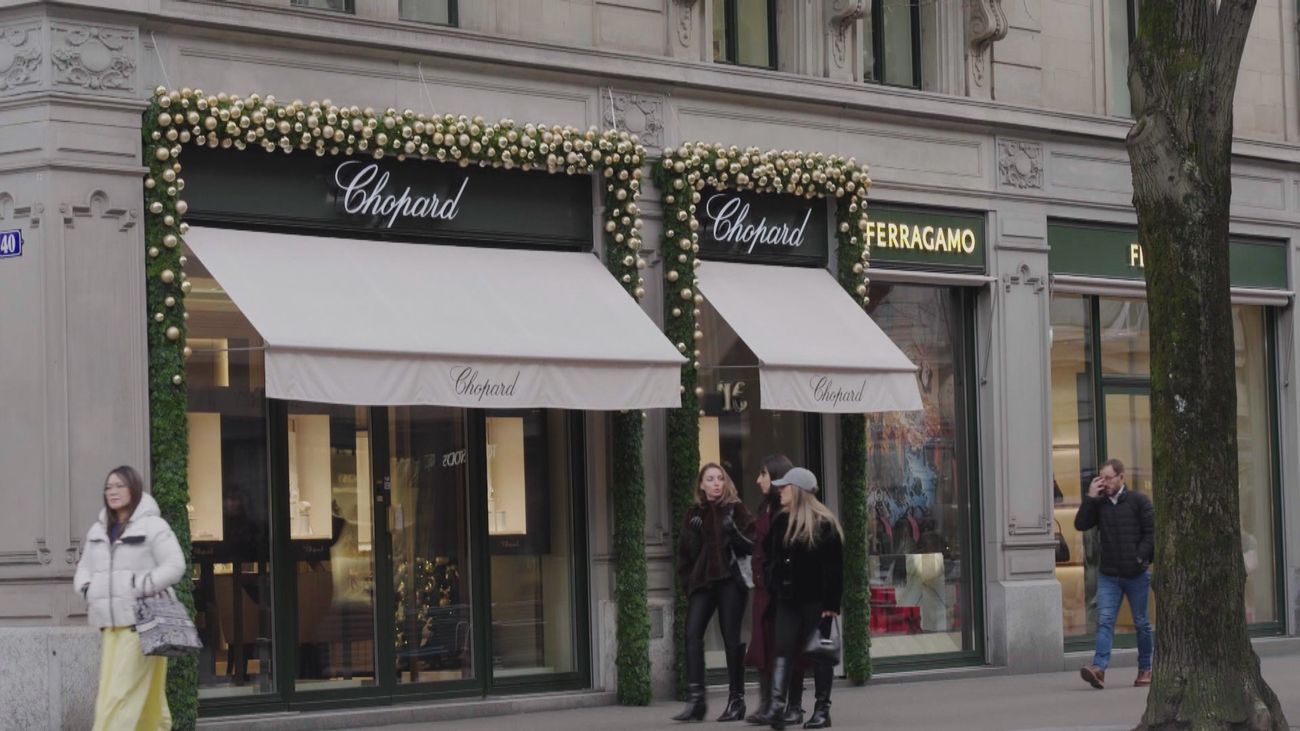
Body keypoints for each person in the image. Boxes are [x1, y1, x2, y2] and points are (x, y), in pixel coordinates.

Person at [74, 466, 186, 731]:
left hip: (142, 625)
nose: (112, 492)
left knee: (117, 699)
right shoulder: (99, 529)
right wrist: (88, 588)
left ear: (134, 489)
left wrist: (141, 585)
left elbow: (175, 565)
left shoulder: (153, 526)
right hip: (111, 628)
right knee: (147, 703)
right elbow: (84, 568)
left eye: (119, 486)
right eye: (108, 487)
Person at [756, 467, 843, 730]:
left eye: (785, 486)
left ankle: (822, 710)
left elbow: (835, 568)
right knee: (782, 650)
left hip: (817, 601)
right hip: (788, 598)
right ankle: (776, 706)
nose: (779, 490)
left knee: (819, 654)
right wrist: (773, 582)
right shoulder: (781, 520)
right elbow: (768, 556)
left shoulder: (824, 524)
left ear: (798, 491)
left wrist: (831, 604)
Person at [672, 463, 756, 722]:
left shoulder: (736, 508)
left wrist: (733, 531)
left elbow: (752, 544)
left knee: (731, 637)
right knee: (692, 634)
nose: (717, 483)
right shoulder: (693, 513)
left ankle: (736, 700)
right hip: (702, 583)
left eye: (720, 478)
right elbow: (687, 554)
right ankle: (696, 701)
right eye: (710, 479)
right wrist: (695, 534)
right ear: (701, 484)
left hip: (729, 580)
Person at [1074, 458, 1155, 689]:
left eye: (1109, 478)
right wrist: (1090, 497)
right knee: (1105, 621)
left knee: (1141, 623)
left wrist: (1139, 558)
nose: (1105, 483)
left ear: (1122, 477)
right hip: (1109, 574)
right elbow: (1081, 524)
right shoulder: (1099, 504)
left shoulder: (1139, 501)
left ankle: (1145, 669)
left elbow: (1151, 534)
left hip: (1136, 574)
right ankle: (1098, 668)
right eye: (1102, 478)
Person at [743, 455, 809, 727]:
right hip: (764, 591)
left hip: (782, 592)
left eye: (763, 474)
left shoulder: (787, 512)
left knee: (788, 648)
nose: (759, 480)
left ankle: (792, 706)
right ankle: (768, 704)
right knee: (765, 648)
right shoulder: (767, 509)